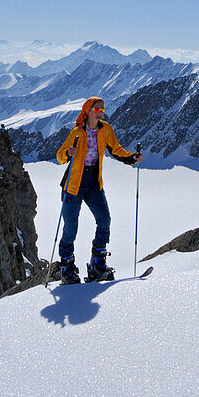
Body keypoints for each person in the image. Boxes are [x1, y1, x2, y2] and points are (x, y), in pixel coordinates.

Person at [55, 96, 141, 284]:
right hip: (73, 183)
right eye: (97, 109)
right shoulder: (77, 132)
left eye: (102, 109)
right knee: (71, 227)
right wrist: (68, 153)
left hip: (94, 181)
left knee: (105, 219)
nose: (101, 112)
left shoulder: (105, 129)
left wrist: (131, 157)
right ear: (88, 111)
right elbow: (60, 156)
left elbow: (116, 149)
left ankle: (97, 261)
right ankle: (67, 266)